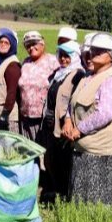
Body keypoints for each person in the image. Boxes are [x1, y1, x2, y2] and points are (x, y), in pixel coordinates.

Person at [63, 33, 112, 204]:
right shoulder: (87, 77)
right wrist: (68, 120)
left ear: (111, 56)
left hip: (99, 151)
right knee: (80, 195)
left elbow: (104, 113)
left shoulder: (111, 80)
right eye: (94, 49)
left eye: (101, 50)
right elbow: (72, 103)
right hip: (83, 147)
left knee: (98, 199)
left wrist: (78, 130)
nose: (95, 52)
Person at [39, 40, 85, 202]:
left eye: (67, 56)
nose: (64, 59)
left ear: (75, 57)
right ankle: (57, 191)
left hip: (64, 124)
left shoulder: (78, 74)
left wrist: (67, 120)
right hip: (51, 121)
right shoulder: (60, 73)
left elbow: (74, 99)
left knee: (63, 160)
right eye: (61, 55)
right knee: (51, 159)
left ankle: (65, 195)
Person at [18, 31, 59, 142]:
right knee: (28, 149)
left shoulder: (53, 61)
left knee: (43, 149)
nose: (31, 47)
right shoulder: (26, 62)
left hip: (43, 117)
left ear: (42, 44)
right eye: (28, 45)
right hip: (25, 115)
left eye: (34, 44)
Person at [0, 28, 21, 133]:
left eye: (7, 42)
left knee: (10, 147)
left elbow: (12, 91)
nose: (3, 44)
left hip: (7, 116)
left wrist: (5, 113)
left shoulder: (12, 65)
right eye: (1, 42)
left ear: (12, 46)